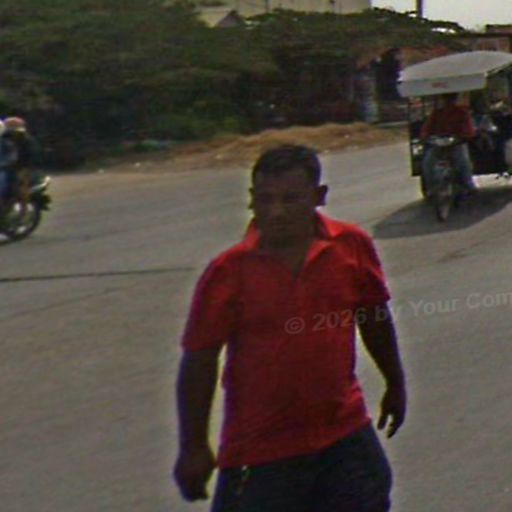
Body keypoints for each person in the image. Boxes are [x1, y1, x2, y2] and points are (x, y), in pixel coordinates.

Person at [174, 144, 407, 512]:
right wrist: (194, 446)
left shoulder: (351, 246)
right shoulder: (228, 272)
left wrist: (395, 383)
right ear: (251, 200)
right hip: (262, 451)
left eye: (290, 199)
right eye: (265, 199)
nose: (276, 212)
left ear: (319, 196)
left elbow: (374, 317)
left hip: (343, 436)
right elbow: (199, 361)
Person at [421, 92, 477, 193]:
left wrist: (465, 136)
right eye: (446, 99)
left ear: (454, 99)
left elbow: (468, 128)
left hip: (457, 143)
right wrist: (425, 136)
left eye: (450, 99)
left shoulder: (462, 112)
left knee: (463, 161)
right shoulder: (436, 113)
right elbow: (427, 128)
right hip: (438, 144)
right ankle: (431, 189)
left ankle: (469, 184)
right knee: (427, 162)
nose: (448, 102)